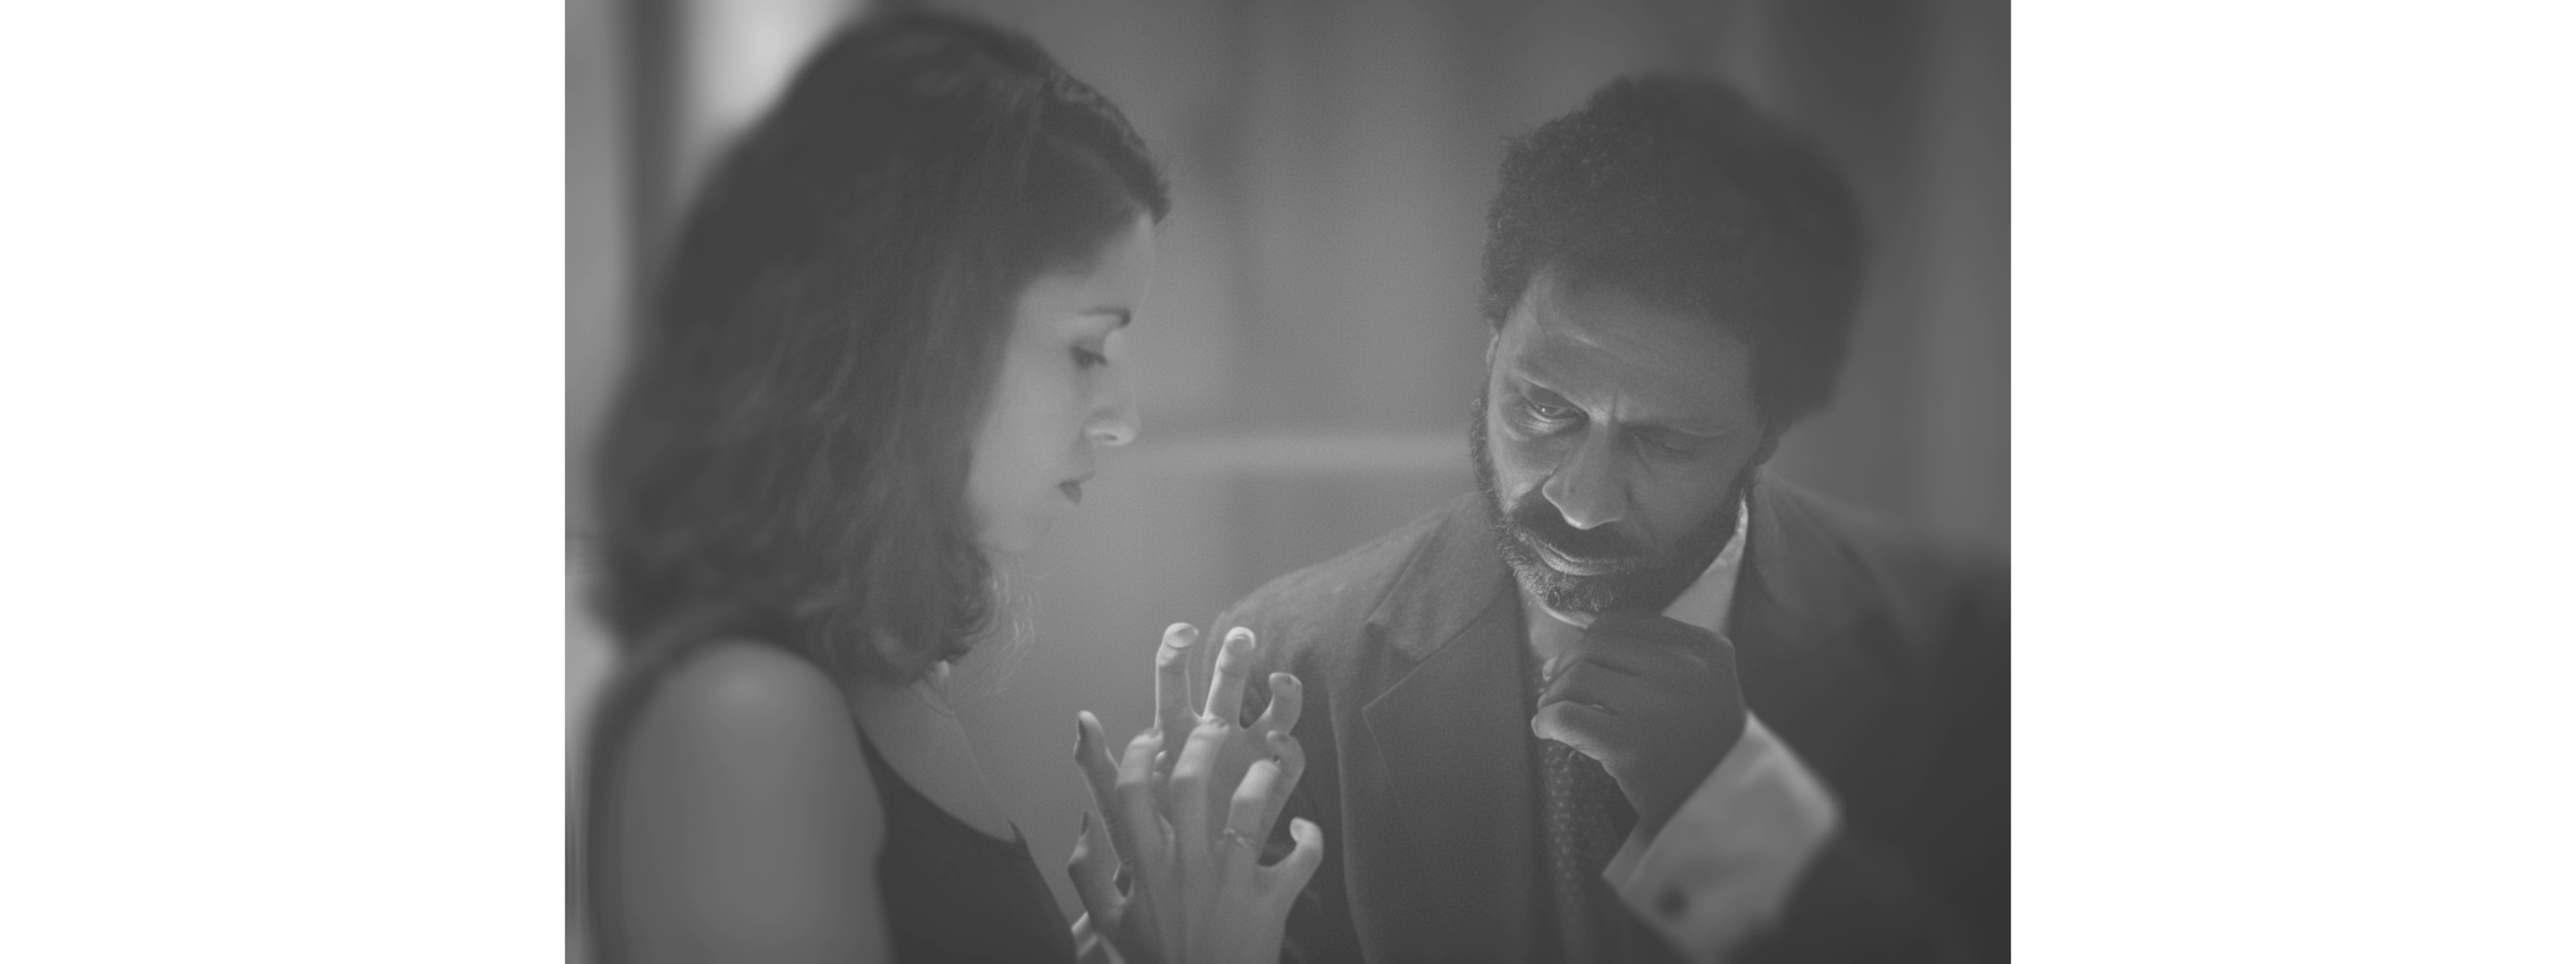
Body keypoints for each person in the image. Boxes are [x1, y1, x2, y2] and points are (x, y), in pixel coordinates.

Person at [1165, 75, 2012, 963]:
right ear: (1492, 345)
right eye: (1543, 409)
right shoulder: (1286, 673)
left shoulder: (1960, 657)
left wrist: (1734, 811)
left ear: (1769, 432)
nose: (1581, 498)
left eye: (1667, 443)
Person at [578, 11, 1320, 962]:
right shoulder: (746, 722)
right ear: (921, 337)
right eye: (1088, 347)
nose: (1123, 417)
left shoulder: (881, 678)